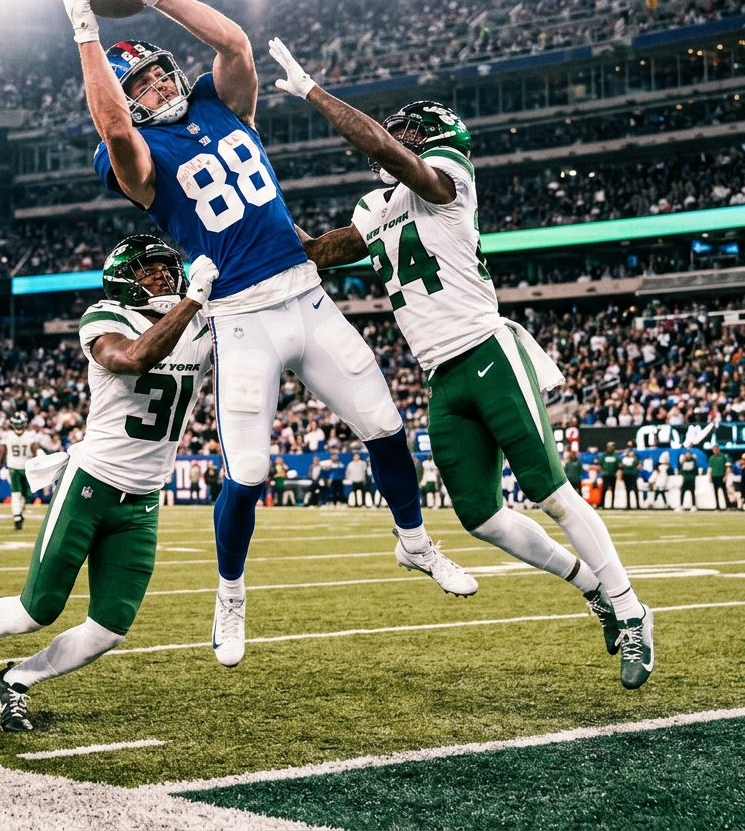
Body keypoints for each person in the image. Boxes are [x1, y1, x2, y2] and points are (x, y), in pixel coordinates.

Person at [60, 0, 475, 669]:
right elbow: (113, 126)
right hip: (242, 317)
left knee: (384, 424)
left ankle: (414, 541)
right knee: (248, 474)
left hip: (306, 293)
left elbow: (235, 45)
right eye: (143, 86)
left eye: (161, 74)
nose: (160, 86)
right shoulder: (130, 153)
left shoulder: (219, 103)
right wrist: (87, 34)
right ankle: (230, 593)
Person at [272, 54, 653, 688]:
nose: (399, 141)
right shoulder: (378, 205)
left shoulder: (448, 173)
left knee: (552, 493)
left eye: (409, 131)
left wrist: (314, 93)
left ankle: (633, 608)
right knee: (481, 516)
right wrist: (261, 218)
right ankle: (592, 587)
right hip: (440, 377)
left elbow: (402, 161)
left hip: (486, 350)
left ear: (435, 135)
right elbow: (324, 251)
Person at [0, 237, 216, 732]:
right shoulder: (107, 318)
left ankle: (15, 681)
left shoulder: (204, 320)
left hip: (143, 499)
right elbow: (133, 359)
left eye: (169, 269)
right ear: (122, 278)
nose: (164, 277)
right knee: (38, 609)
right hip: (90, 484)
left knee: (109, 631)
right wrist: (193, 302)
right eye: (150, 271)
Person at [0, 412, 42, 530]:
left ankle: (19, 513)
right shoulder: (29, 436)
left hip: (20, 468)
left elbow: (2, 453)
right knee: (17, 493)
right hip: (19, 467)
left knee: (24, 494)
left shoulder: (8, 436)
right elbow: (35, 452)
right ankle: (17, 516)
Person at [619, 442, 641, 510]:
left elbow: (639, 466)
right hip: (626, 475)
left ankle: (638, 505)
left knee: (635, 490)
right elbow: (620, 466)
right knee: (627, 490)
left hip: (633, 475)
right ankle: (628, 505)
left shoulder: (635, 458)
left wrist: (636, 471)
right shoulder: (624, 458)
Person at [600, 441, 620, 510]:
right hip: (606, 475)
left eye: (612, 447)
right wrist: (602, 473)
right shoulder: (604, 455)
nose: (611, 448)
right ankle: (602, 504)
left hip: (613, 475)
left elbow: (619, 465)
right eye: (609, 447)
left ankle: (612, 505)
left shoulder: (616, 456)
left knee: (613, 490)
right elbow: (600, 465)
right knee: (604, 490)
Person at [709, 446, 729, 511]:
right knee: (715, 492)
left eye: (716, 449)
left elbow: (727, 467)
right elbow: (710, 468)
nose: (715, 450)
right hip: (715, 476)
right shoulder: (711, 458)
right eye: (714, 449)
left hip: (721, 476)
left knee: (724, 492)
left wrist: (726, 476)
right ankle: (717, 506)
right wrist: (710, 476)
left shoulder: (723, 456)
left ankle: (728, 506)